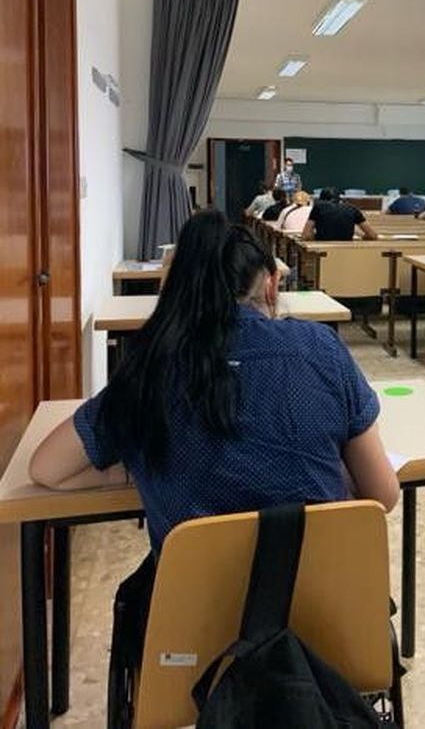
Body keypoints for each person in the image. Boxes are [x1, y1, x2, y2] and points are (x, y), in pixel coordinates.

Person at [29, 210, 400, 687]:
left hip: (196, 656)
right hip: (326, 633)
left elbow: (47, 468)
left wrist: (146, 462)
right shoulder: (319, 348)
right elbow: (381, 495)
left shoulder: (150, 367)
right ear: (269, 286)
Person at [304, 188, 378, 241]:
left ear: (322, 199)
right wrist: (362, 237)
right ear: (340, 198)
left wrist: (314, 238)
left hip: (321, 250)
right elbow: (372, 235)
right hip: (347, 252)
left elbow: (306, 235)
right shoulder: (353, 208)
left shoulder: (318, 207)